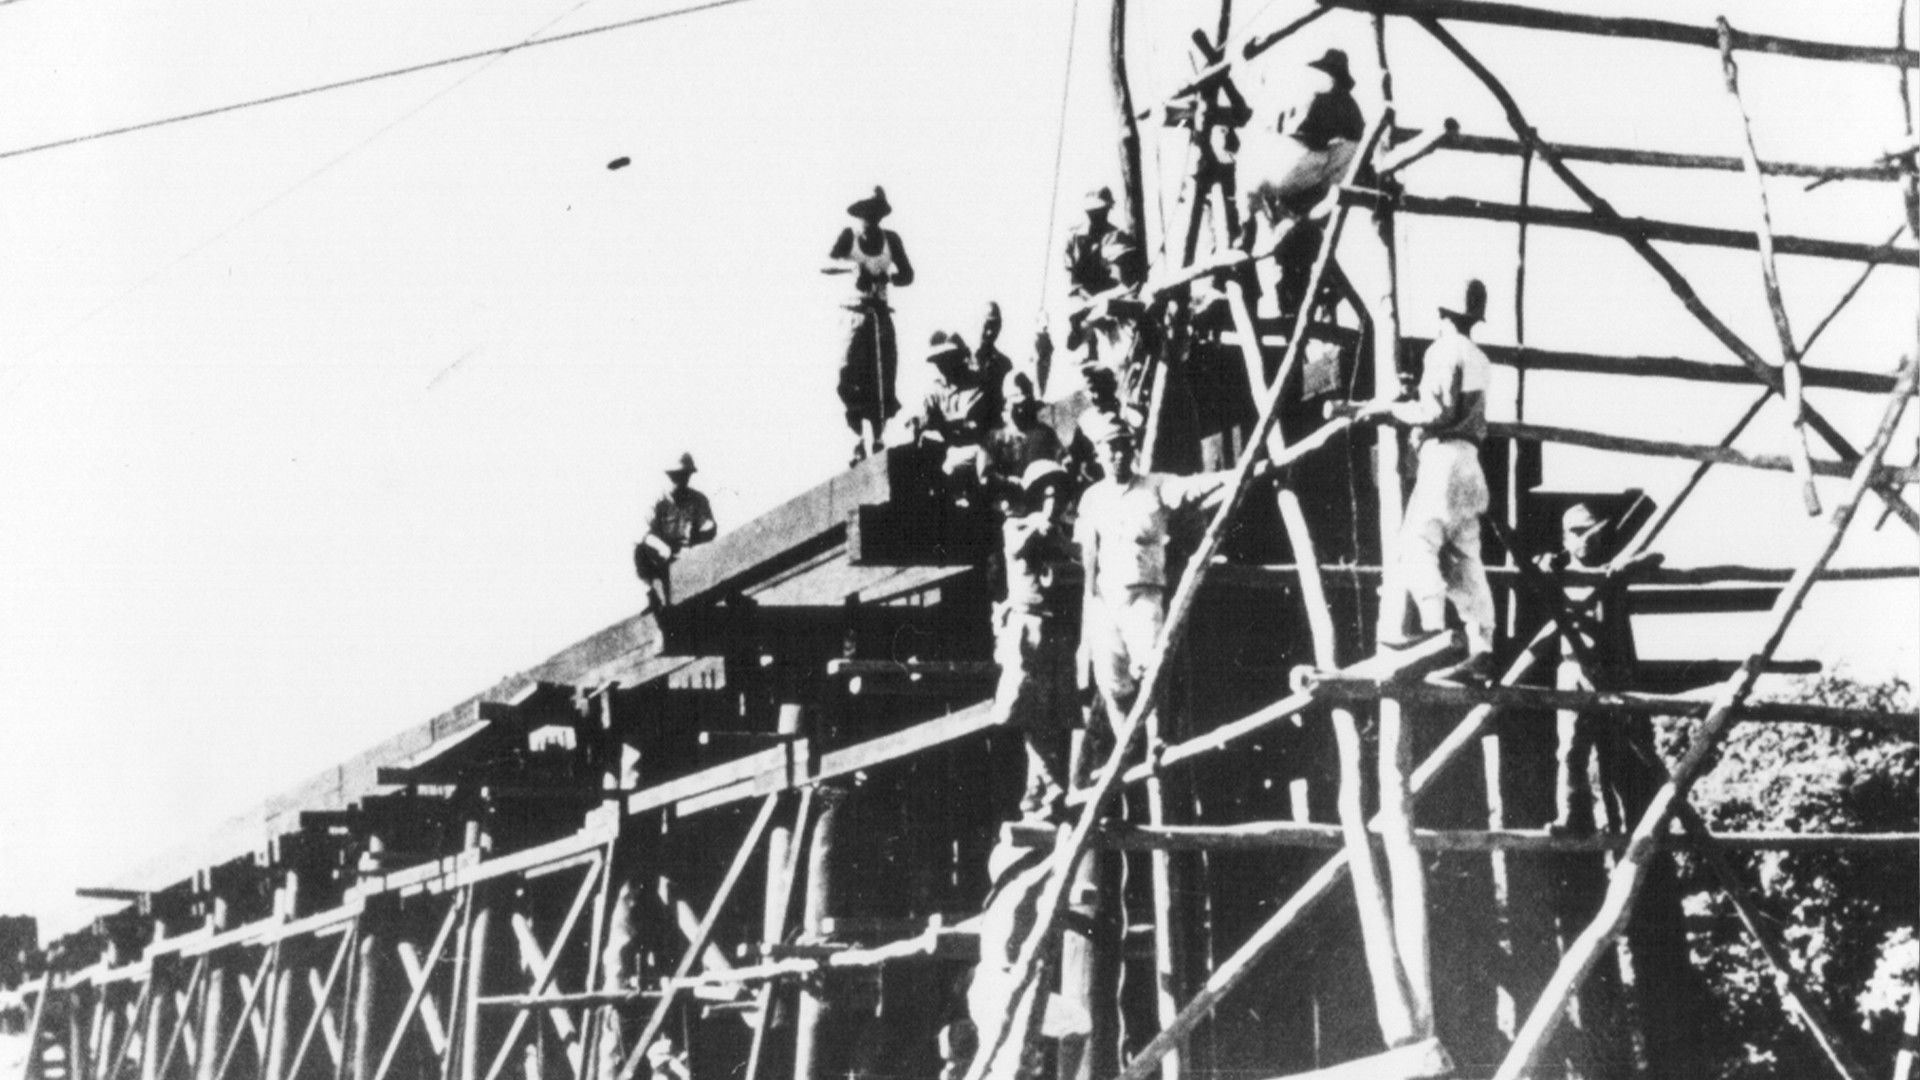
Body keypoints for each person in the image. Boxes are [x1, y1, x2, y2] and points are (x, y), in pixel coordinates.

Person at [1344, 278, 1498, 685]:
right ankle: (1482, 646)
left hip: (1443, 459)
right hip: (1471, 463)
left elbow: (1437, 413)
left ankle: (1434, 632)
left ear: (1442, 313)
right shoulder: (1480, 357)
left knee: (1416, 544)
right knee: (1465, 556)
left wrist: (1393, 410)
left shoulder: (1443, 350)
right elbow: (1457, 406)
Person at [1075, 415, 1267, 715]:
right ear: (1098, 452)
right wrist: (1089, 618)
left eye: (1124, 446)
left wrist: (1236, 474)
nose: (1119, 454)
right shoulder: (1092, 498)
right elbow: (1088, 558)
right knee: (1112, 681)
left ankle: (1155, 735)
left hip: (1144, 594)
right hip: (1105, 599)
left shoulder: (1155, 485)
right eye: (1111, 448)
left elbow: (1192, 487)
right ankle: (1125, 740)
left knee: (1151, 669)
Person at [1538, 502, 1664, 835]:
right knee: (1572, 749)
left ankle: (1628, 824)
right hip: (1574, 668)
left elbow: (1656, 557)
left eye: (1593, 531)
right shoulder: (1557, 569)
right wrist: (1545, 564)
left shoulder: (1613, 567)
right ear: (1565, 538)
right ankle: (1575, 816)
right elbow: (1539, 565)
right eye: (1578, 532)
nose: (1587, 539)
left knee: (1622, 748)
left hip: (1613, 670)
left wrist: (1628, 564)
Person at [1238, 48, 1366, 325]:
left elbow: (1301, 140)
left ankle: (1243, 233)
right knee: (1302, 238)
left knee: (1250, 174)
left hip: (1305, 167)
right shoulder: (1352, 107)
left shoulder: (1317, 97)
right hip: (1332, 176)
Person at [990, 461, 1082, 820]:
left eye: (1059, 495)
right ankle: (1050, 780)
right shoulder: (1016, 525)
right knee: (1026, 707)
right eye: (1046, 494)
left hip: (1057, 628)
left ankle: (1034, 792)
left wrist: (1064, 542)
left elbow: (1081, 558)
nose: (1053, 502)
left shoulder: (1062, 532)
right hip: (1027, 626)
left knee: (1053, 712)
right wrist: (1039, 528)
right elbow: (1017, 548)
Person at [825, 186, 915, 463]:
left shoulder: (891, 240)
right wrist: (853, 269)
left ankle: (876, 436)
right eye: (866, 213)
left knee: (882, 375)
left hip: (880, 314)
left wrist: (890, 278)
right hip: (855, 313)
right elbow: (826, 261)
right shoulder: (849, 236)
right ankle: (857, 435)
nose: (870, 219)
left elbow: (908, 274)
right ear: (859, 213)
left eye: (875, 213)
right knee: (849, 373)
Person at [1062, 187, 1145, 370]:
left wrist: (1096, 304)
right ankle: (1088, 350)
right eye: (1091, 212)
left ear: (1108, 210)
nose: (1095, 216)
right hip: (1083, 301)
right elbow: (1073, 282)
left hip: (1113, 304)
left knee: (1119, 359)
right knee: (1073, 333)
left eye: (1099, 211)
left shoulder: (1117, 238)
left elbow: (1125, 285)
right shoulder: (1074, 239)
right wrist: (1085, 307)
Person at [910, 334, 997, 499]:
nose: (942, 366)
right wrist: (923, 422)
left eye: (946, 359)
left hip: (974, 449)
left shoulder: (976, 386)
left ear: (957, 358)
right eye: (938, 361)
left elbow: (975, 424)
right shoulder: (936, 390)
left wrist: (948, 425)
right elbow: (927, 423)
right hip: (947, 449)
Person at [633, 452, 717, 612]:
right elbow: (644, 536)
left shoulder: (697, 499)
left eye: (685, 475)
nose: (681, 480)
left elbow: (709, 528)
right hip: (659, 557)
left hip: (687, 553)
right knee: (639, 551)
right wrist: (663, 548)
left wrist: (704, 531)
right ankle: (654, 594)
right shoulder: (657, 501)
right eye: (676, 476)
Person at [983, 373, 1065, 501]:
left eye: (1025, 396)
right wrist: (1006, 481)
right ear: (1005, 403)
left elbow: (1057, 465)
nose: (1020, 404)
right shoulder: (996, 437)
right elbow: (986, 474)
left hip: (1040, 495)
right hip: (1006, 499)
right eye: (1014, 397)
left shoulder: (1044, 433)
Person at [972, 302, 1015, 423]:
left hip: (993, 427)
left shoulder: (1004, 364)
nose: (990, 332)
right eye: (986, 325)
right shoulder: (961, 360)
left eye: (995, 326)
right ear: (977, 323)